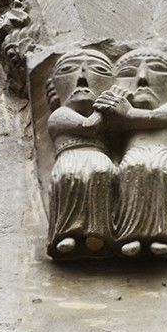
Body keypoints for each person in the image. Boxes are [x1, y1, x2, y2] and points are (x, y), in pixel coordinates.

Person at [94, 48, 167, 258]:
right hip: (132, 158)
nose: (142, 78)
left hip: (162, 155)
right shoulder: (122, 113)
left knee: (160, 172)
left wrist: (125, 112)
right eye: (128, 73)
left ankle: (161, 234)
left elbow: (150, 117)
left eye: (157, 70)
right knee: (131, 172)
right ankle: (131, 233)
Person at [46, 49, 116, 258]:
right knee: (70, 178)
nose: (82, 79)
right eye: (68, 70)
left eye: (99, 71)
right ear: (54, 88)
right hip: (71, 158)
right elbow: (88, 126)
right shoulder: (59, 114)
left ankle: (98, 230)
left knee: (102, 174)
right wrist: (107, 107)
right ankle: (66, 231)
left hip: (99, 157)